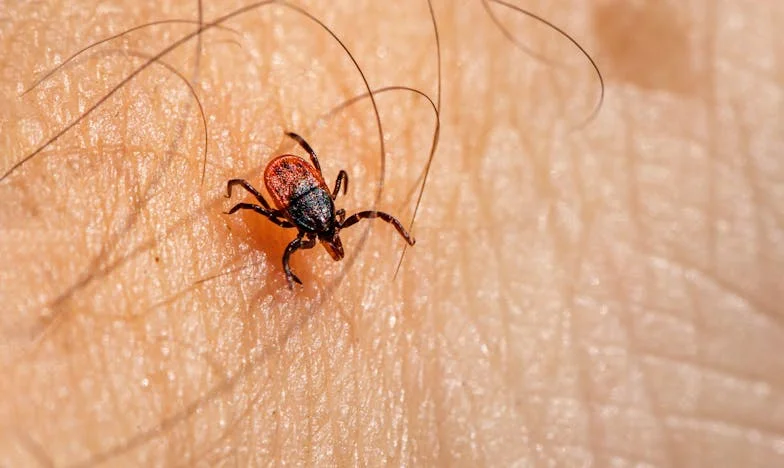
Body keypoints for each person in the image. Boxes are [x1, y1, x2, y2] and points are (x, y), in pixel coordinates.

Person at [1, 0, 781, 465]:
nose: (329, 232)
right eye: (324, 233)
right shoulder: (301, 213)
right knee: (265, 216)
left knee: (291, 207)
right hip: (284, 176)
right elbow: (278, 195)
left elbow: (300, 188)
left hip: (288, 175)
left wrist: (318, 213)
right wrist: (277, 244)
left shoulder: (311, 211)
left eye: (328, 230)